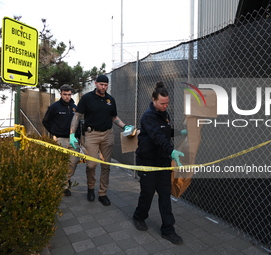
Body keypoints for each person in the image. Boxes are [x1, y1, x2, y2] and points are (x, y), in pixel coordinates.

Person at [132, 81, 185, 245]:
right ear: (154, 100)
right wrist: (171, 151)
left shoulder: (165, 114)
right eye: (162, 103)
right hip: (148, 160)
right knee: (147, 193)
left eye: (167, 103)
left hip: (163, 162)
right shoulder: (148, 116)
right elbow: (157, 136)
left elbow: (166, 132)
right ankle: (139, 216)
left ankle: (168, 229)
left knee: (165, 195)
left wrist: (181, 132)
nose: (165, 105)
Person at [69, 74, 133, 206]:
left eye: (105, 85)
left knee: (106, 165)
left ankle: (102, 193)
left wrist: (125, 126)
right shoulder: (87, 98)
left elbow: (114, 118)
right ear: (95, 83)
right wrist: (71, 134)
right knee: (91, 165)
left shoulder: (110, 100)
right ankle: (91, 188)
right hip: (91, 135)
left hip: (107, 134)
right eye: (101, 84)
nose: (103, 87)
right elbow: (77, 116)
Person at [42, 84, 80, 196]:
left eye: (69, 94)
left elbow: (78, 123)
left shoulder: (75, 107)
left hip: (73, 140)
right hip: (60, 139)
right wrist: (54, 132)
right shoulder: (54, 107)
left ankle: (66, 179)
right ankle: (64, 186)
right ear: (61, 94)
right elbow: (45, 121)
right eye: (65, 94)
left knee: (73, 163)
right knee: (61, 163)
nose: (67, 97)